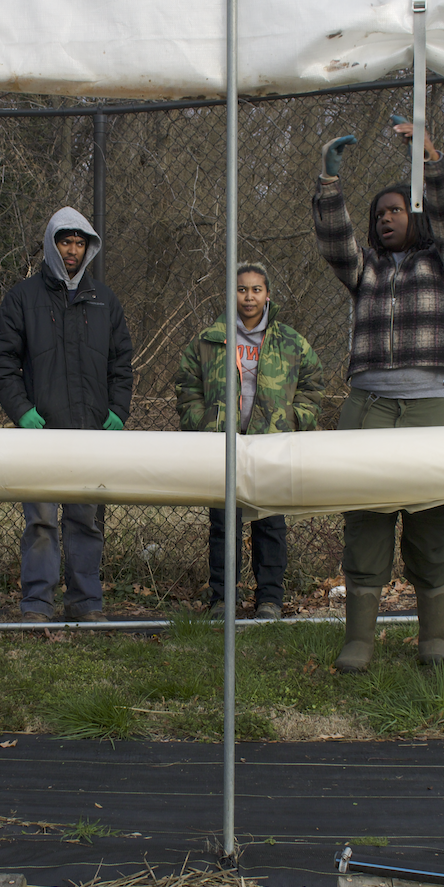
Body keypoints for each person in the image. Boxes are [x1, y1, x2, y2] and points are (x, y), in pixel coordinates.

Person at [313, 118, 444, 672]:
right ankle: (359, 639)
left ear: (417, 216)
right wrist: (329, 186)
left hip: (432, 405)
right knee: (367, 519)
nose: (384, 220)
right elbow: (337, 245)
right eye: (378, 214)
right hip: (370, 407)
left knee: (431, 517)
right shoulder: (366, 272)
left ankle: (435, 638)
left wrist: (430, 159)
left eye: (395, 211)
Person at [0, 207, 134, 622]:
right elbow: (2, 360)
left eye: (79, 243)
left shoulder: (105, 300)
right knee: (41, 522)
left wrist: (117, 410)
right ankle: (37, 604)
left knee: (85, 521)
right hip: (40, 436)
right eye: (65, 242)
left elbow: (122, 362)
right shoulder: (23, 298)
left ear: (88, 248)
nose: (72, 250)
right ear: (52, 245)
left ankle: (86, 603)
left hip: (90, 434)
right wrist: (22, 410)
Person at [174, 262, 324, 619]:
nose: (249, 296)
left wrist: (294, 419)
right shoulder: (211, 339)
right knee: (224, 523)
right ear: (232, 294)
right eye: (242, 289)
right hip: (224, 445)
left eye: (256, 289)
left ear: (267, 294)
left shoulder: (289, 341)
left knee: (270, 523)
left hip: (270, 445)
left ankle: (269, 599)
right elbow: (186, 385)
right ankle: (222, 599)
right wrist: (203, 424)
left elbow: (313, 385)